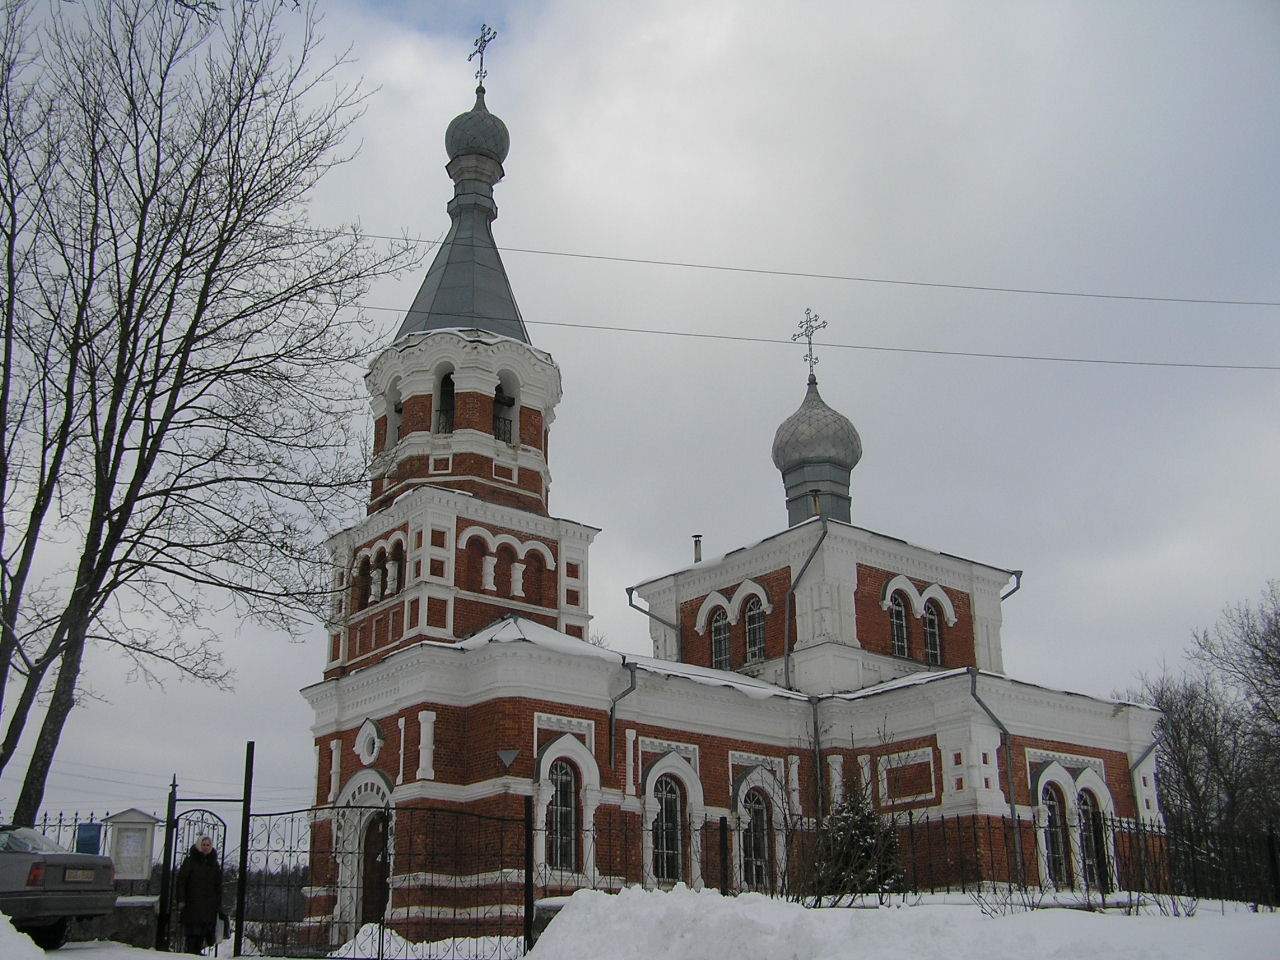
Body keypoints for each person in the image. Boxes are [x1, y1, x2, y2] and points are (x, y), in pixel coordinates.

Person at [176, 835, 223, 954]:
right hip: (193, 904)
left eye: (208, 845)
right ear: (199, 845)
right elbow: (182, 881)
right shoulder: (190, 861)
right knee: (192, 933)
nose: (206, 847)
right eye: (203, 845)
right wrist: (181, 899)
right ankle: (191, 953)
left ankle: (197, 953)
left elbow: (218, 885)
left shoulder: (214, 864)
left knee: (203, 932)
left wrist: (217, 903)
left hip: (208, 907)